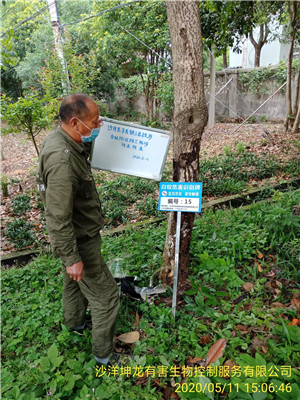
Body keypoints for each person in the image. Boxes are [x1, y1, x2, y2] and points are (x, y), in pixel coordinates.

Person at [36, 93, 120, 367]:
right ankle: (104, 356)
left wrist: (68, 260)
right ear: (75, 122)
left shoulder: (63, 139)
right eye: (94, 123)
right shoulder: (62, 162)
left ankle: (74, 327)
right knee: (106, 296)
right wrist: (72, 257)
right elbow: (57, 215)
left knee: (73, 285)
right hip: (79, 240)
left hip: (75, 236)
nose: (98, 127)